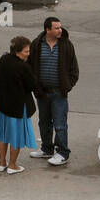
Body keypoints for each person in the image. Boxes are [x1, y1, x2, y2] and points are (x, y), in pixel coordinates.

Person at [28, 17, 78, 166]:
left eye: (60, 27)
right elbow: (30, 67)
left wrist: (67, 86)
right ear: (47, 30)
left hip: (59, 94)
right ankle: (47, 149)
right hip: (42, 93)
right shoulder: (37, 44)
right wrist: (36, 88)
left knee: (60, 125)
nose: (60, 30)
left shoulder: (66, 45)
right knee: (44, 123)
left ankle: (63, 153)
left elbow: (74, 70)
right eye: (56, 28)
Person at [0, 35, 39, 174]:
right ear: (17, 51)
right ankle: (12, 165)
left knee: (2, 135)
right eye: (26, 51)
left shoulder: (4, 59)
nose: (28, 54)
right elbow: (32, 85)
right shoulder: (23, 67)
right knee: (16, 137)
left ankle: (2, 163)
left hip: (0, 105)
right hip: (17, 107)